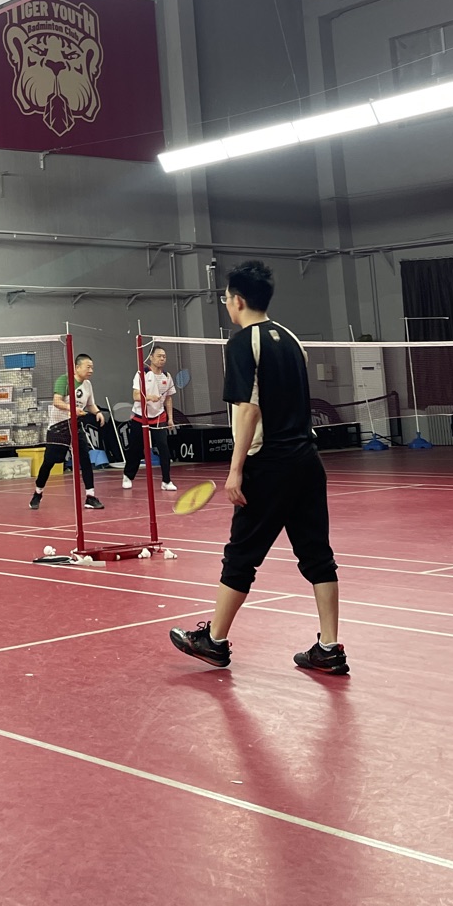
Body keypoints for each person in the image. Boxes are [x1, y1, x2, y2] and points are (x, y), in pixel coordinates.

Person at [169, 261, 346, 674]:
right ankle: (329, 647)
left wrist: (235, 469)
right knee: (317, 555)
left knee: (241, 555)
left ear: (238, 300)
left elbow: (248, 410)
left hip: (269, 465)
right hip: (308, 461)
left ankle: (214, 641)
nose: (225, 304)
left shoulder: (242, 343)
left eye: (225, 298)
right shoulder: (292, 340)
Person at [30, 352, 105, 512]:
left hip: (75, 426)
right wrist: (72, 408)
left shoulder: (88, 385)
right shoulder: (64, 380)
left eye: (92, 367)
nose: (91, 370)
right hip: (59, 426)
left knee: (85, 460)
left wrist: (97, 412)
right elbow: (56, 401)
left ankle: (90, 496)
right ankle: (38, 493)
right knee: (49, 462)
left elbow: (90, 404)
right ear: (77, 367)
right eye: (88, 367)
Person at [124, 344, 177, 493]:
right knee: (135, 449)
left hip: (159, 417)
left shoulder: (167, 376)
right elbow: (135, 395)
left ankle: (166, 481)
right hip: (140, 417)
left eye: (164, 356)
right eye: (159, 356)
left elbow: (168, 399)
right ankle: (128, 476)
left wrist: (170, 419)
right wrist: (148, 397)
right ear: (151, 357)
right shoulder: (142, 373)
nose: (162, 359)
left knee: (164, 448)